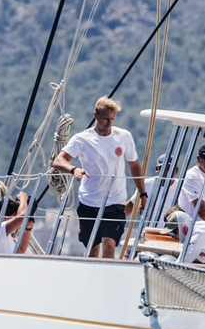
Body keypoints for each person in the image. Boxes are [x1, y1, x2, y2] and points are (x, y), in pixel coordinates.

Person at [53, 97, 148, 258]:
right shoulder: (82, 139)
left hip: (115, 201)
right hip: (89, 201)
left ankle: (108, 274)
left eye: (112, 119)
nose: (109, 123)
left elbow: (134, 166)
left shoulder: (124, 136)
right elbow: (58, 161)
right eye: (105, 119)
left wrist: (143, 194)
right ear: (95, 115)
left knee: (109, 244)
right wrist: (74, 169)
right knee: (92, 248)